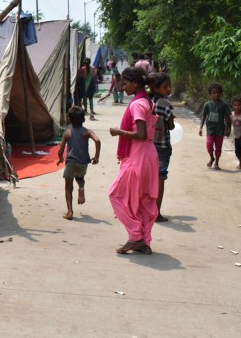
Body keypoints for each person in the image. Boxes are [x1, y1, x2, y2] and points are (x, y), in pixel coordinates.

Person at [108, 67, 159, 255]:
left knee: (117, 194)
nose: (123, 86)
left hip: (138, 155)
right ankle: (144, 241)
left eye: (126, 83)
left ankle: (136, 236)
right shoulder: (147, 101)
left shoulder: (137, 104)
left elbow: (140, 133)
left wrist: (119, 132)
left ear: (135, 84)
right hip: (149, 154)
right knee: (144, 199)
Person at [56, 106, 101, 220]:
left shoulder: (67, 133)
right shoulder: (87, 132)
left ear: (69, 119)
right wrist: (96, 157)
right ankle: (81, 187)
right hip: (83, 162)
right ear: (83, 119)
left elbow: (60, 150)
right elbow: (97, 140)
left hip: (71, 162)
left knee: (68, 187)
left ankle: (70, 212)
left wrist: (60, 158)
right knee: (80, 177)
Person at [150, 72, 175, 222]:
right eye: (165, 87)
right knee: (160, 178)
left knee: (147, 178)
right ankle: (157, 213)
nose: (168, 89)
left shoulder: (146, 102)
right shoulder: (166, 105)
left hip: (147, 145)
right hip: (163, 146)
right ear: (156, 88)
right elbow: (171, 126)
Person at [198, 83, 231, 170]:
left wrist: (227, 128)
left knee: (218, 147)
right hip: (210, 129)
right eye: (214, 93)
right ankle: (211, 157)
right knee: (209, 145)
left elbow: (227, 117)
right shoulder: (207, 105)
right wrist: (201, 128)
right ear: (210, 94)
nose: (216, 94)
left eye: (218, 93)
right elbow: (204, 116)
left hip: (220, 129)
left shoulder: (224, 105)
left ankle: (216, 162)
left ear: (220, 93)